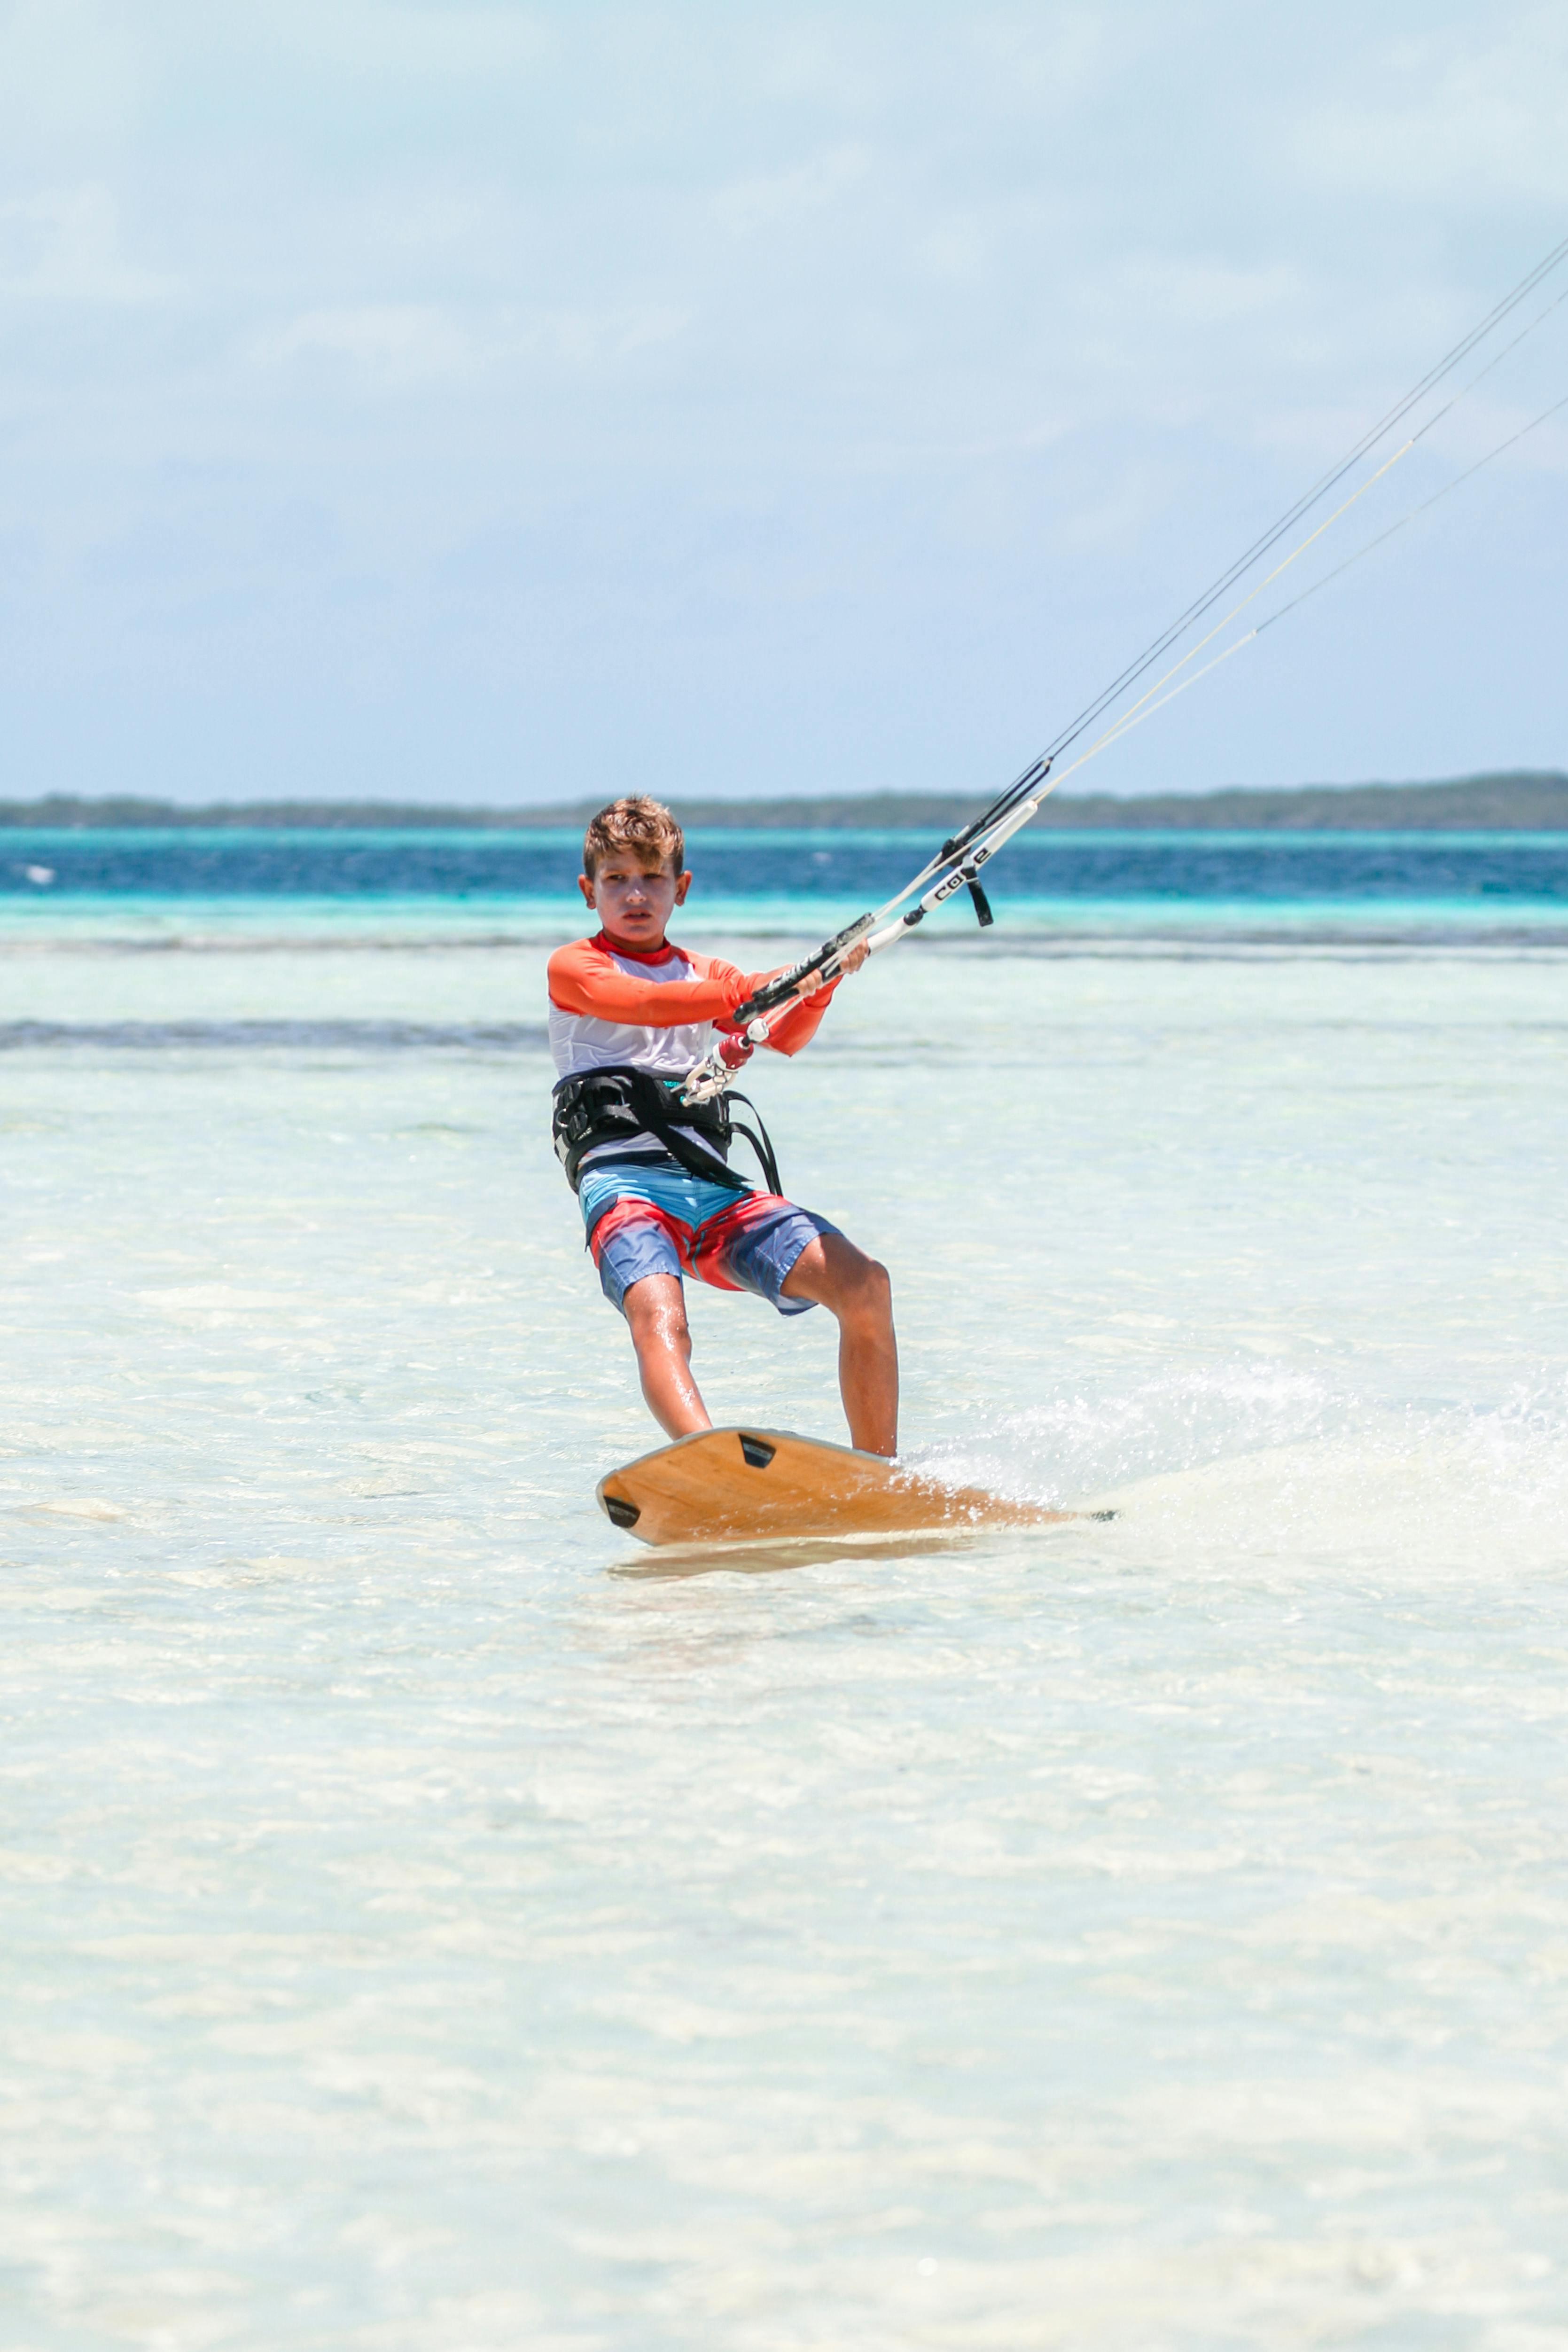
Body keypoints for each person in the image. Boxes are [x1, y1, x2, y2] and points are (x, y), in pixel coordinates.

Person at [547, 795, 898, 1455]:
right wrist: (762, 985)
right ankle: (705, 1458)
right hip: (624, 1189)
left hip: (712, 1190)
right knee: (660, 1319)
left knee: (865, 1283)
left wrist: (817, 983)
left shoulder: (711, 975)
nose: (634, 894)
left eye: (651, 877)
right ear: (587, 890)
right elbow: (644, 1002)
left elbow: (786, 1035)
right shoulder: (575, 966)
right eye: (616, 878)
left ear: (680, 888)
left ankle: (879, 1472)